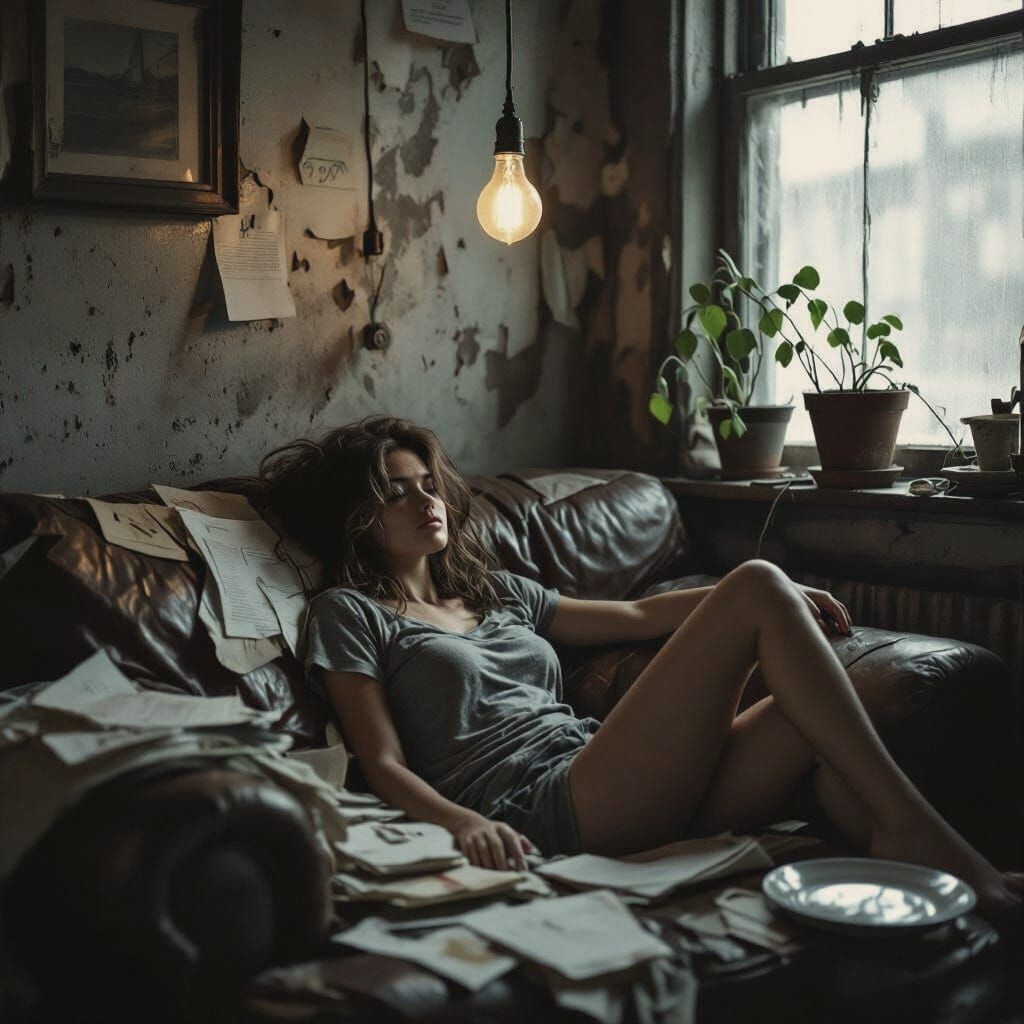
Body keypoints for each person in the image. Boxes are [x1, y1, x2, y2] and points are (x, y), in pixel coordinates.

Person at [262, 415, 1023, 924]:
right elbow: (382, 762)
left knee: (825, 699)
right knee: (754, 580)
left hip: (608, 770)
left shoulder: (497, 592)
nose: (424, 500)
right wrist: (466, 824)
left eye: (428, 482)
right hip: (544, 804)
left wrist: (783, 597)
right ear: (358, 517)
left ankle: (912, 868)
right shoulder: (351, 613)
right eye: (396, 491)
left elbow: (632, 618)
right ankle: (926, 840)